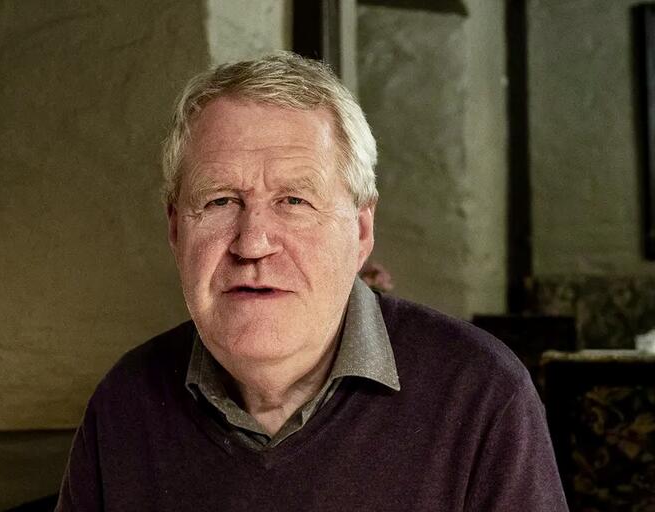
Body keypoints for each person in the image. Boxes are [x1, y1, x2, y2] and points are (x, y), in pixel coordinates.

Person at [56, 52, 568, 511]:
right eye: (220, 201)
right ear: (175, 229)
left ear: (361, 231)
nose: (252, 243)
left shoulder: (480, 395)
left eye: (294, 201)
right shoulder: (124, 403)